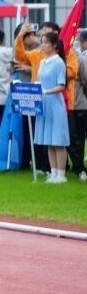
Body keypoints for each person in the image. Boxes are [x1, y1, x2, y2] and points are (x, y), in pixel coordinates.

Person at [35, 31, 71, 184]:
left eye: (45, 42)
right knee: (49, 139)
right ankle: (53, 172)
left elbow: (61, 85)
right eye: (41, 42)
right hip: (44, 104)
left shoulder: (59, 62)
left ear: (54, 45)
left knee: (58, 140)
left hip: (55, 104)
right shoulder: (43, 62)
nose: (42, 45)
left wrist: (47, 91)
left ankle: (61, 175)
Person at [73, 31, 87, 181]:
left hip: (79, 104)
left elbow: (85, 79)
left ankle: (79, 168)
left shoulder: (80, 59)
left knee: (78, 138)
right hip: (69, 105)